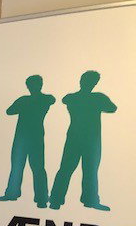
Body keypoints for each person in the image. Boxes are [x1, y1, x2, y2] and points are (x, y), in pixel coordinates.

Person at [50, 70, 117, 211]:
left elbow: (112, 108)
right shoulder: (97, 98)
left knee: (70, 169)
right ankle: (88, 200)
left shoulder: (73, 97)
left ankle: (57, 200)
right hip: (89, 140)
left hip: (77, 138)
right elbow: (112, 108)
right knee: (86, 170)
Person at [0, 75, 54, 208]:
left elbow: (10, 111)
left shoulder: (25, 100)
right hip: (33, 137)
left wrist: (24, 105)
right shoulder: (44, 99)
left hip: (23, 138)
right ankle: (41, 198)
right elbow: (9, 111)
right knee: (34, 168)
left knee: (22, 167)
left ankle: (16, 194)